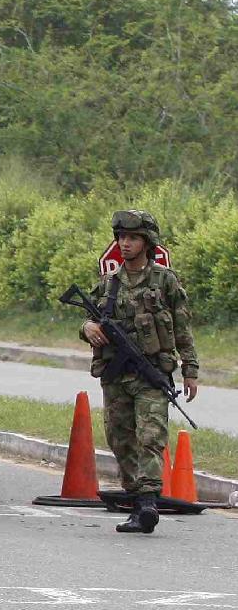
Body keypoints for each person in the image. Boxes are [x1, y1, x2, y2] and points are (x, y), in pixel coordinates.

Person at [82, 209, 199, 535]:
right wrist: (88, 327)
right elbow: (86, 319)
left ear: (147, 243)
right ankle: (136, 500)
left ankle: (147, 502)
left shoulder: (165, 281)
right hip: (115, 376)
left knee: (150, 437)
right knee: (121, 439)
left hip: (151, 375)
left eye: (133, 238)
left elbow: (182, 329)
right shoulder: (109, 284)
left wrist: (190, 369)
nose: (125, 243)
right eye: (121, 237)